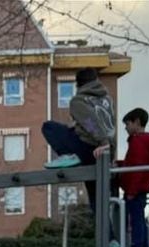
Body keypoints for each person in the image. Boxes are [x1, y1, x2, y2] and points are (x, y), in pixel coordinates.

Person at [41, 68, 116, 213]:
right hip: (103, 153)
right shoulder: (107, 99)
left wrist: (103, 142)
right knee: (97, 199)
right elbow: (109, 125)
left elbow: (90, 123)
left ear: (78, 84)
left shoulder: (78, 100)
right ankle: (110, 235)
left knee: (48, 127)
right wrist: (109, 150)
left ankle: (69, 155)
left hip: (88, 148)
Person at [117, 108, 149, 247]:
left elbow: (136, 167)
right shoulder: (146, 143)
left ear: (137, 122)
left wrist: (131, 190)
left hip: (134, 189)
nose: (126, 127)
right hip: (142, 188)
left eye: (128, 123)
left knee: (135, 219)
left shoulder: (137, 142)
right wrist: (121, 164)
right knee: (139, 218)